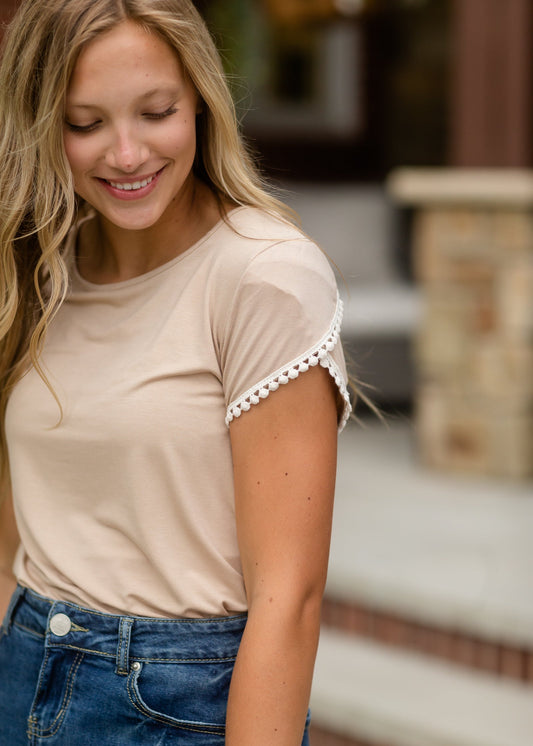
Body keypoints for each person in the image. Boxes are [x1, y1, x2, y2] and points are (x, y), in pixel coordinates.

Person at [0, 1, 351, 744]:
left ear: (198, 100)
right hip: (20, 667)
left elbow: (288, 599)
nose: (126, 154)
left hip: (173, 707)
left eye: (155, 112)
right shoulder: (33, 274)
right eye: (84, 123)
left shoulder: (264, 277)